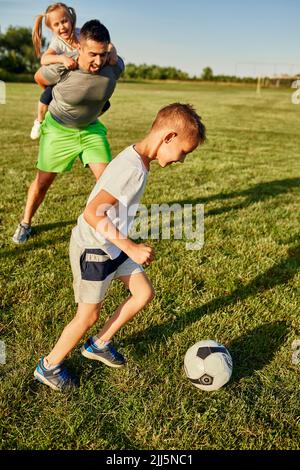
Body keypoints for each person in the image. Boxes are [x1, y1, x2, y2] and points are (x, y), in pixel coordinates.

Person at [33, 102, 207, 391]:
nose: (182, 160)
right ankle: (49, 365)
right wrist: (131, 246)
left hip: (113, 246)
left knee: (143, 293)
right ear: (168, 137)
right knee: (87, 316)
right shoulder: (131, 169)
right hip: (95, 248)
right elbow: (92, 213)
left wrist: (125, 245)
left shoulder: (139, 160)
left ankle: (99, 344)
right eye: (183, 152)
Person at [13, 20, 124, 244]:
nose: (98, 60)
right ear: (79, 49)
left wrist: (114, 52)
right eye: (92, 54)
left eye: (103, 54)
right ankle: (25, 223)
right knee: (43, 182)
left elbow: (114, 59)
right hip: (58, 130)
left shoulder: (114, 66)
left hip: (90, 129)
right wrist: (60, 96)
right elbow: (39, 77)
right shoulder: (64, 68)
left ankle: (106, 229)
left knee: (108, 182)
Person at [30, 2, 111, 140]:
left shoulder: (81, 33)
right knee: (46, 97)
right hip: (64, 79)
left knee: (105, 103)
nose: (62, 27)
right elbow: (44, 59)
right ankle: (39, 121)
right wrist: (62, 58)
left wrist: (112, 52)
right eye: (56, 24)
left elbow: (103, 42)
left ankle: (87, 118)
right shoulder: (58, 42)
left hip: (83, 78)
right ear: (51, 28)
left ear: (71, 20)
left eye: (64, 21)